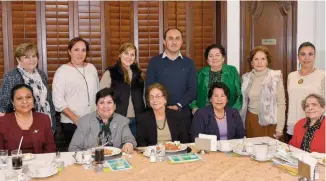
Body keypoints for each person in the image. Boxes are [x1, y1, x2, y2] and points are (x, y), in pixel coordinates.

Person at [52, 37, 99, 144]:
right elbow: (58, 101)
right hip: (72, 122)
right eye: (76, 50)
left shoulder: (91, 68)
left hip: (92, 120)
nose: (80, 53)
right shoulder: (62, 71)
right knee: (77, 155)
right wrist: (75, 119)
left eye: (83, 50)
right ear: (69, 52)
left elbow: (97, 93)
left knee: (93, 153)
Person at [0, 43, 56, 132]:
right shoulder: (11, 76)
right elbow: (4, 104)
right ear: (18, 60)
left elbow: (48, 101)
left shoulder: (41, 74)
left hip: (46, 123)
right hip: (22, 126)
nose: (32, 60)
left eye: (34, 56)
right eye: (26, 57)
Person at [145, 28, 196, 124]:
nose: (174, 42)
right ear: (164, 42)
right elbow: (149, 88)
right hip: (158, 113)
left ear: (181, 42)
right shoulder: (154, 62)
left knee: (184, 139)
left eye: (177, 38)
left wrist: (178, 105)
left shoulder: (189, 63)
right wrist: (161, 106)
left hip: (182, 113)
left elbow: (192, 90)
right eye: (170, 38)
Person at [68, 88, 136, 153]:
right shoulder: (84, 121)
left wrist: (129, 144)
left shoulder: (122, 121)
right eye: (101, 103)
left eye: (109, 102)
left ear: (114, 106)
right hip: (91, 161)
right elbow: (73, 148)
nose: (105, 106)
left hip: (115, 161)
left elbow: (129, 138)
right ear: (97, 105)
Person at [239, 46, 286, 139]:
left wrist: (280, 127)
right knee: (251, 151)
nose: (259, 62)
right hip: (251, 120)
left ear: (267, 61)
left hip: (270, 122)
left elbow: (281, 103)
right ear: (251, 62)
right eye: (256, 59)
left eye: (263, 59)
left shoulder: (275, 77)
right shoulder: (246, 78)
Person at [100, 43, 145, 137]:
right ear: (120, 55)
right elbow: (101, 98)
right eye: (126, 53)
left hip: (137, 120)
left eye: (132, 54)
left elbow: (143, 97)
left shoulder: (139, 74)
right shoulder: (110, 73)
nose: (129, 57)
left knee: (135, 149)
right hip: (117, 119)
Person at [0, 84, 56, 153]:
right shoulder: (3, 122)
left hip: (40, 162)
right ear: (13, 102)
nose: (25, 101)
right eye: (19, 98)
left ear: (33, 99)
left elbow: (50, 148)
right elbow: (1, 153)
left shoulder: (44, 119)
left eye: (28, 97)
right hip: (13, 163)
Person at [287, 42, 325, 141]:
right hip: (293, 124)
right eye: (303, 54)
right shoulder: (291, 76)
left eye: (310, 54)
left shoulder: (322, 75)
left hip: (314, 124)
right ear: (298, 57)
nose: (306, 58)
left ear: (315, 56)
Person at [190, 44, 242, 113]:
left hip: (228, 112)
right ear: (207, 60)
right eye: (211, 56)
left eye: (217, 55)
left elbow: (239, 93)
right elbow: (192, 92)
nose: (214, 58)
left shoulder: (232, 71)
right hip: (204, 113)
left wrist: (234, 111)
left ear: (223, 58)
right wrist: (194, 107)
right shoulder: (201, 73)